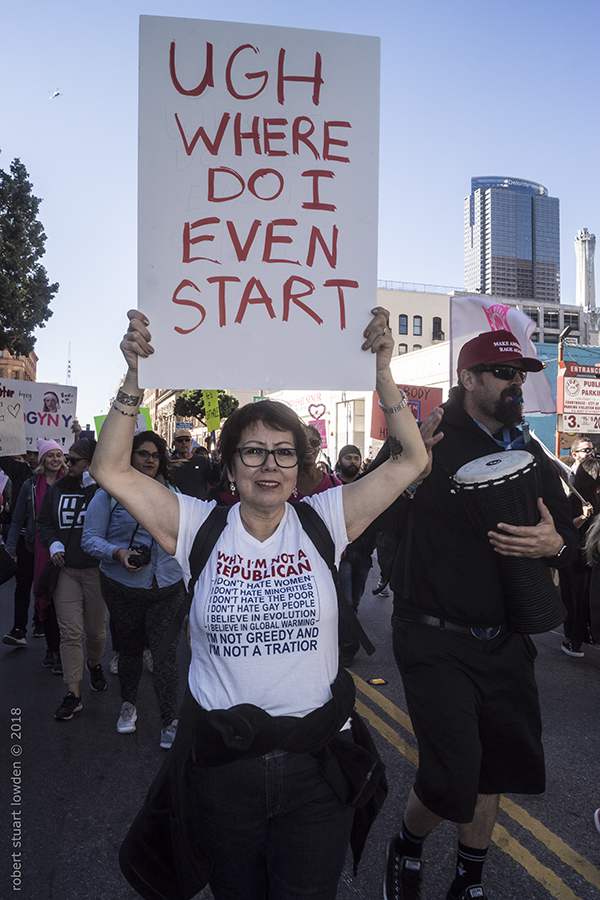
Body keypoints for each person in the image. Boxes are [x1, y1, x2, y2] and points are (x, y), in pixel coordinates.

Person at [90, 306, 427, 900]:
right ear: (230, 463)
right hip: (224, 772)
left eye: (284, 452)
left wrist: (383, 375)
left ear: (301, 466)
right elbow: (110, 468)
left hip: (316, 771)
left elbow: (413, 460)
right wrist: (132, 380)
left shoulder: (326, 518)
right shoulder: (198, 526)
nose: (269, 466)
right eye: (253, 452)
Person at [382, 329, 578, 900]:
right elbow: (367, 515)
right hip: (431, 636)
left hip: (504, 639)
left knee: (496, 769)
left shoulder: (529, 451)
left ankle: (469, 879)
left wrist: (554, 546)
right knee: (454, 773)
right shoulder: (425, 438)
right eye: (501, 372)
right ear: (468, 379)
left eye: (520, 373)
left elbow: (569, 530)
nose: (515, 382)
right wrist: (407, 478)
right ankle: (408, 844)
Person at [82, 431, 185, 748]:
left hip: (167, 586)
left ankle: (170, 721)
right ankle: (128, 705)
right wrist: (119, 553)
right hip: (123, 586)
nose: (150, 460)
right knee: (129, 651)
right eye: (143, 453)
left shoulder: (173, 492)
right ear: (130, 456)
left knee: (165, 655)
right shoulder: (109, 495)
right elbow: (89, 539)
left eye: (155, 455)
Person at [37, 438, 108, 721]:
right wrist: (52, 543)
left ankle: (94, 664)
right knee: (71, 633)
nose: (68, 465)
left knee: (96, 632)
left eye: (75, 460)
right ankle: (73, 693)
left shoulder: (104, 491)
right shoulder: (56, 490)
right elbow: (44, 522)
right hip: (66, 570)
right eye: (68, 459)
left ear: (91, 463)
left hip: (95, 571)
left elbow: (110, 523)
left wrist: (94, 488)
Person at [3, 440, 66, 667]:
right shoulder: (30, 486)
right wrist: (11, 549)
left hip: (62, 550)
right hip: (34, 547)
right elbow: (18, 518)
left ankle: (59, 649)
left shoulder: (69, 484)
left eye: (59, 455)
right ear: (42, 460)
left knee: (61, 600)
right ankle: (52, 649)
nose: (56, 459)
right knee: (44, 597)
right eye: (50, 455)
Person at [559, 455, 600, 657]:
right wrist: (583, 517)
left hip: (592, 556)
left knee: (588, 599)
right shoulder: (573, 500)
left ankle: (587, 634)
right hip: (574, 556)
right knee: (574, 599)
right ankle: (573, 639)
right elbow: (565, 529)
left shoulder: (596, 497)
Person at [295, 425, 341, 499]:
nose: (308, 446)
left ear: (319, 447)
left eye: (314, 442)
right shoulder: (284, 483)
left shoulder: (334, 484)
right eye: (303, 442)